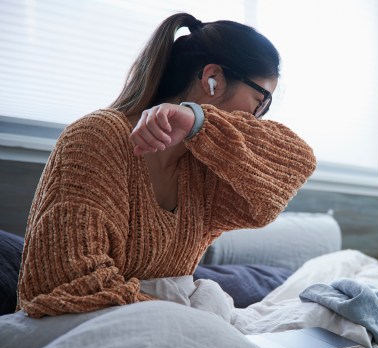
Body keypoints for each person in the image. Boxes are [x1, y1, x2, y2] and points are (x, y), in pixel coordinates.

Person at [17, 13, 317, 318]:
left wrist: (198, 121)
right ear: (212, 78)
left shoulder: (203, 171)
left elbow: (297, 163)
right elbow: (66, 284)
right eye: (259, 100)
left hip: (157, 327)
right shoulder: (98, 136)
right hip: (75, 329)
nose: (256, 119)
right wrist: (185, 318)